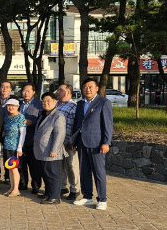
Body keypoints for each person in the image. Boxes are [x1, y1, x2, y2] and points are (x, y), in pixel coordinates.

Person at [71, 78, 113, 211]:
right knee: (84, 171)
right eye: (85, 87)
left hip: (97, 143)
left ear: (96, 88)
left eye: (90, 87)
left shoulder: (103, 102)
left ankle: (102, 199)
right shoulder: (80, 104)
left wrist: (106, 142)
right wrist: (73, 141)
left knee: (99, 172)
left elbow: (108, 124)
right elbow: (77, 124)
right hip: (82, 142)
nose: (87, 89)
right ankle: (87, 196)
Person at [34, 92, 67, 204]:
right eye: (44, 101)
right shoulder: (43, 114)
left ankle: (55, 197)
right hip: (42, 150)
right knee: (45, 173)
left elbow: (59, 134)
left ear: (54, 102)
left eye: (48, 101)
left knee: (53, 174)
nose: (46, 103)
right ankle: (48, 193)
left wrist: (54, 149)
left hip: (52, 152)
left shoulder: (58, 116)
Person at [56, 84, 81, 201]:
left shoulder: (73, 106)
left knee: (71, 165)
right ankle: (62, 187)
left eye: (61, 90)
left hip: (69, 142)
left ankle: (75, 189)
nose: (58, 92)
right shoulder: (55, 104)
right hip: (57, 142)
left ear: (69, 92)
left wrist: (72, 141)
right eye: (58, 90)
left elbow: (75, 126)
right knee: (60, 166)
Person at [18, 83, 43, 194]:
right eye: (24, 90)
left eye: (28, 90)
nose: (26, 93)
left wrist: (32, 122)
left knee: (34, 165)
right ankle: (22, 184)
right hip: (19, 140)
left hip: (32, 139)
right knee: (21, 164)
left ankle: (36, 185)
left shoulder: (39, 104)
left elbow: (42, 119)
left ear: (34, 92)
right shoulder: (19, 104)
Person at [1, 98, 26, 197]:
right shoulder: (7, 118)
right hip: (7, 146)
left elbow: (23, 133)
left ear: (17, 106)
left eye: (13, 105)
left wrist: (20, 148)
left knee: (15, 168)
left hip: (15, 147)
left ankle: (16, 189)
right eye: (8, 105)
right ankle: (12, 187)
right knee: (10, 168)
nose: (10, 107)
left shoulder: (20, 117)